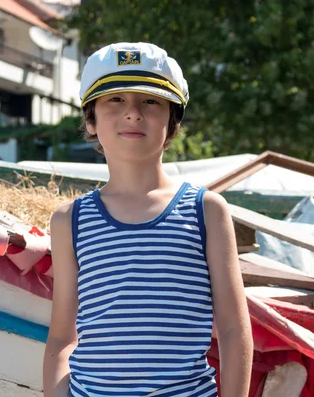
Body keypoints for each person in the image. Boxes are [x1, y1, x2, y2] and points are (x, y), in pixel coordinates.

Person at [43, 42, 253, 397]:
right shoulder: (69, 221)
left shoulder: (207, 211)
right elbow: (63, 337)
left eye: (150, 101)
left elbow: (234, 330)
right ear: (90, 120)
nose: (133, 113)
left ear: (173, 122)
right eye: (115, 100)